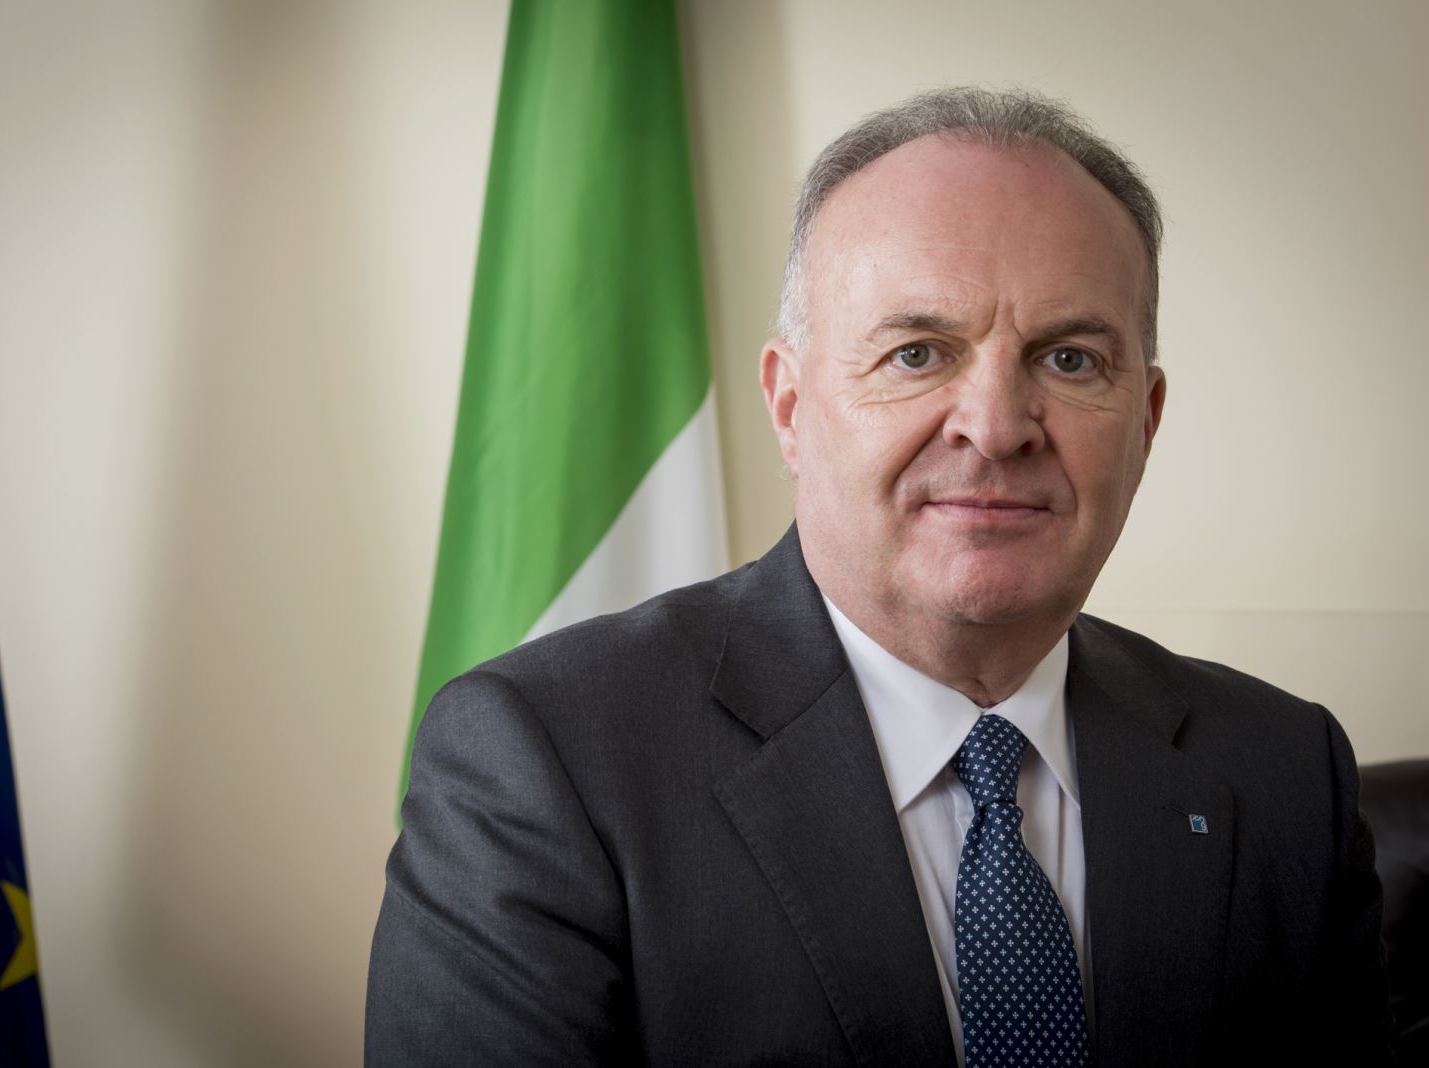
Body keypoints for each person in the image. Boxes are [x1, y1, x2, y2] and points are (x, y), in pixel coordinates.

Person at [365, 87, 1394, 1065]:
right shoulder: (548, 762)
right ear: (790, 407)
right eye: (917, 353)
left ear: (1147, 422)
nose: (995, 428)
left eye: (1070, 359)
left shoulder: (1282, 771)